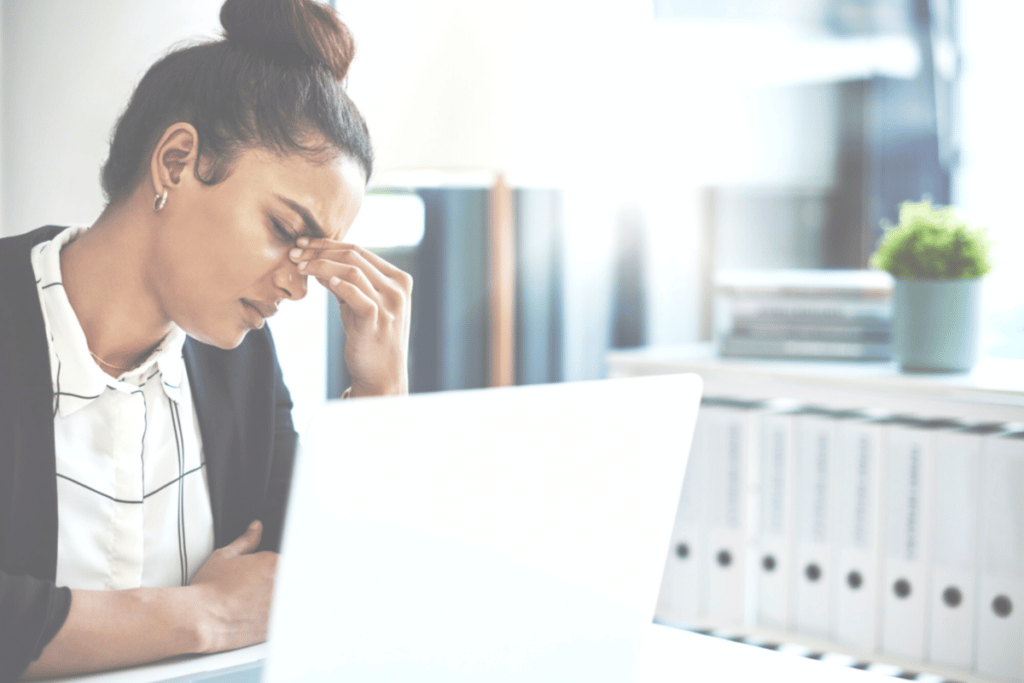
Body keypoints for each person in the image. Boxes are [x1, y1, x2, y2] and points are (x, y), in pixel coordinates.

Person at [0, 0, 412, 679]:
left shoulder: (239, 363)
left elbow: (329, 577)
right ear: (177, 160)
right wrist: (202, 614)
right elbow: (247, 605)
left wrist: (378, 391)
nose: (299, 284)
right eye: (287, 230)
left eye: (318, 252)